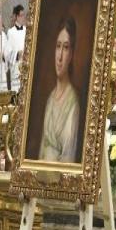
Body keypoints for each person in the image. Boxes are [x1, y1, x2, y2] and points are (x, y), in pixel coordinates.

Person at [39, 17, 81, 163]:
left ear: (71, 54)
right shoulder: (51, 98)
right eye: (58, 46)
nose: (60, 56)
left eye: (66, 47)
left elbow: (68, 157)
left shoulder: (73, 102)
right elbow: (42, 149)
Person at [6, 4, 26, 91]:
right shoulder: (10, 32)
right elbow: (8, 53)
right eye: (21, 15)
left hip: (25, 66)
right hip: (16, 68)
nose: (23, 18)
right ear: (17, 17)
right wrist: (17, 54)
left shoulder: (27, 30)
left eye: (24, 15)